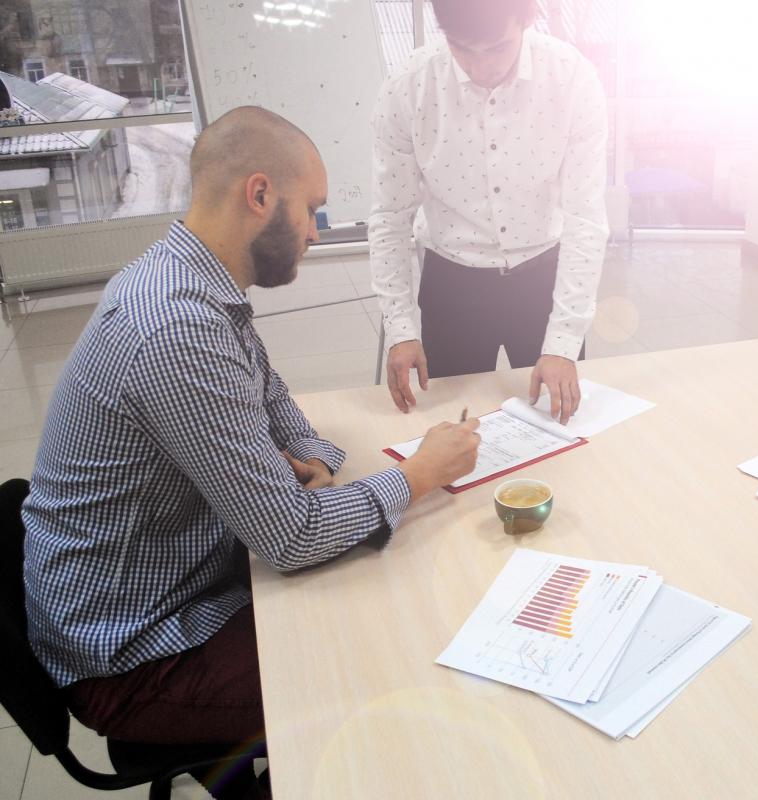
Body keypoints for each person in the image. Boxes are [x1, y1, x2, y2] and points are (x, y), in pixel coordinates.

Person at [20, 107, 480, 797]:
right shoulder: (176, 327)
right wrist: (417, 475)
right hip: (132, 653)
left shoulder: (190, 279)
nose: (315, 232)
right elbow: (291, 538)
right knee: (393, 663)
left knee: (367, 587)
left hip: (170, 577)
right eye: (312, 211)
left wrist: (313, 462)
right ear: (260, 194)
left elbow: (273, 401)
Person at [369, 0, 609, 425]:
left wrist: (563, 341)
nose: (480, 68)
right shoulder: (408, 88)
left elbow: (585, 219)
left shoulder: (571, 78)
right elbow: (390, 218)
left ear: (527, 18)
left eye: (497, 48)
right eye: (462, 48)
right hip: (452, 284)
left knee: (559, 428)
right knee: (448, 430)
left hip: (545, 280)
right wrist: (401, 329)